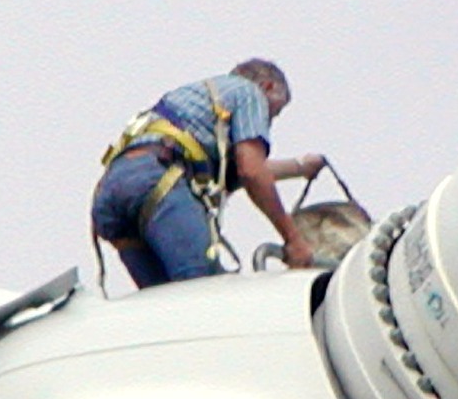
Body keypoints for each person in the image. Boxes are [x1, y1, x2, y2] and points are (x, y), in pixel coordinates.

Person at [92, 58, 328, 288]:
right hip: (158, 182)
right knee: (205, 291)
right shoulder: (249, 93)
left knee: (166, 303)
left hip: (111, 194)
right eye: (274, 113)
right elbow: (252, 171)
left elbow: (242, 171)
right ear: (268, 87)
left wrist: (300, 167)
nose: (269, 121)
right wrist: (293, 239)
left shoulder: (198, 104)